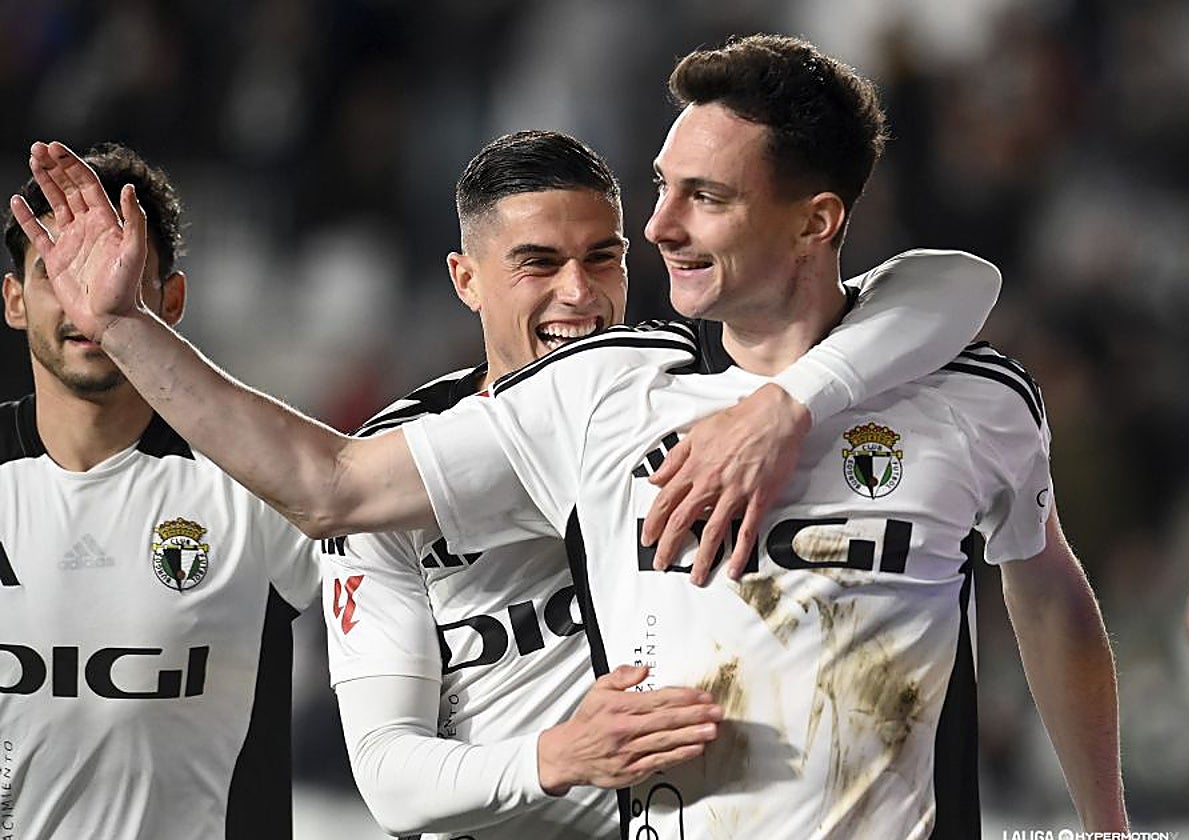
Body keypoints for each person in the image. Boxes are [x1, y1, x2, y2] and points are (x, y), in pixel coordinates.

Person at [12, 34, 1127, 838]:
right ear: (465, 278)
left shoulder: (972, 397)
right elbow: (329, 486)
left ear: (816, 221)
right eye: (661, 191)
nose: (659, 229)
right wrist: (129, 327)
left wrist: (1108, 827)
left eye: (704, 198)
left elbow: (1048, 591)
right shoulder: (600, 394)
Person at [323, 130, 1000, 838]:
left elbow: (955, 284)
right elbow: (388, 776)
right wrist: (559, 756)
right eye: (539, 264)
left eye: (602, 257)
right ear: (467, 280)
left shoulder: (685, 384)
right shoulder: (398, 465)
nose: (578, 292)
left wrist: (789, 402)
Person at [0, 145, 320, 840]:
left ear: (170, 301)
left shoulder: (252, 485)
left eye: (115, 271)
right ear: (15, 300)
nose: (89, 301)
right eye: (58, 272)